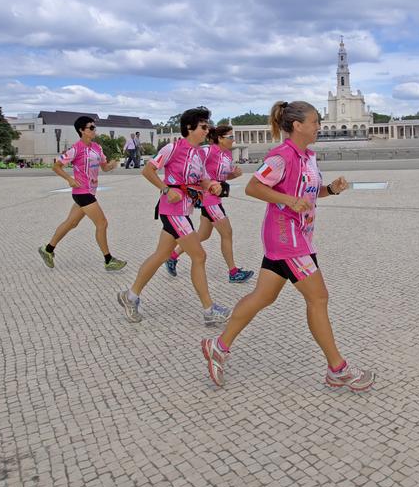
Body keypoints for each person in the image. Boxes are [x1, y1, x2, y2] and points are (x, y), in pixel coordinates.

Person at [200, 100, 374, 391]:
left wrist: (331, 189)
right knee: (318, 298)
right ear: (297, 125)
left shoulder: (308, 157)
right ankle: (338, 370)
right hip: (286, 237)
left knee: (262, 296)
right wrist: (288, 201)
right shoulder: (282, 156)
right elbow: (254, 186)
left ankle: (218, 345)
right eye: (315, 121)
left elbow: (309, 193)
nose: (319, 126)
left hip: (299, 236)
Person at [118, 107, 230, 326]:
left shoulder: (199, 153)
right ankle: (209, 310)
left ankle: (130, 296)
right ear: (190, 128)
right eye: (203, 127)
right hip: (173, 211)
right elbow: (148, 170)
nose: (207, 130)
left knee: (161, 255)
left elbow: (204, 180)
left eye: (208, 126)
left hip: (184, 210)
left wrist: (213, 186)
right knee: (199, 256)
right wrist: (166, 189)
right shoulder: (172, 148)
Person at [38, 116, 127, 272]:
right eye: (91, 128)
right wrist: (69, 179)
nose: (94, 130)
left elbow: (104, 167)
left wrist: (112, 165)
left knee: (71, 223)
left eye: (94, 127)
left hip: (90, 191)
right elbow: (56, 166)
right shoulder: (76, 149)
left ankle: (48, 249)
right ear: (81, 130)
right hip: (82, 192)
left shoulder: (97, 148)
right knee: (102, 223)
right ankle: (108, 260)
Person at [174, 124, 255, 283]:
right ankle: (233, 272)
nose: (233, 140)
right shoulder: (208, 150)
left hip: (216, 198)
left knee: (203, 234)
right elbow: (191, 161)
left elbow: (223, 177)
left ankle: (173, 256)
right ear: (220, 138)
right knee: (227, 233)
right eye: (230, 137)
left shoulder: (227, 155)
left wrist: (234, 175)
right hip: (208, 198)